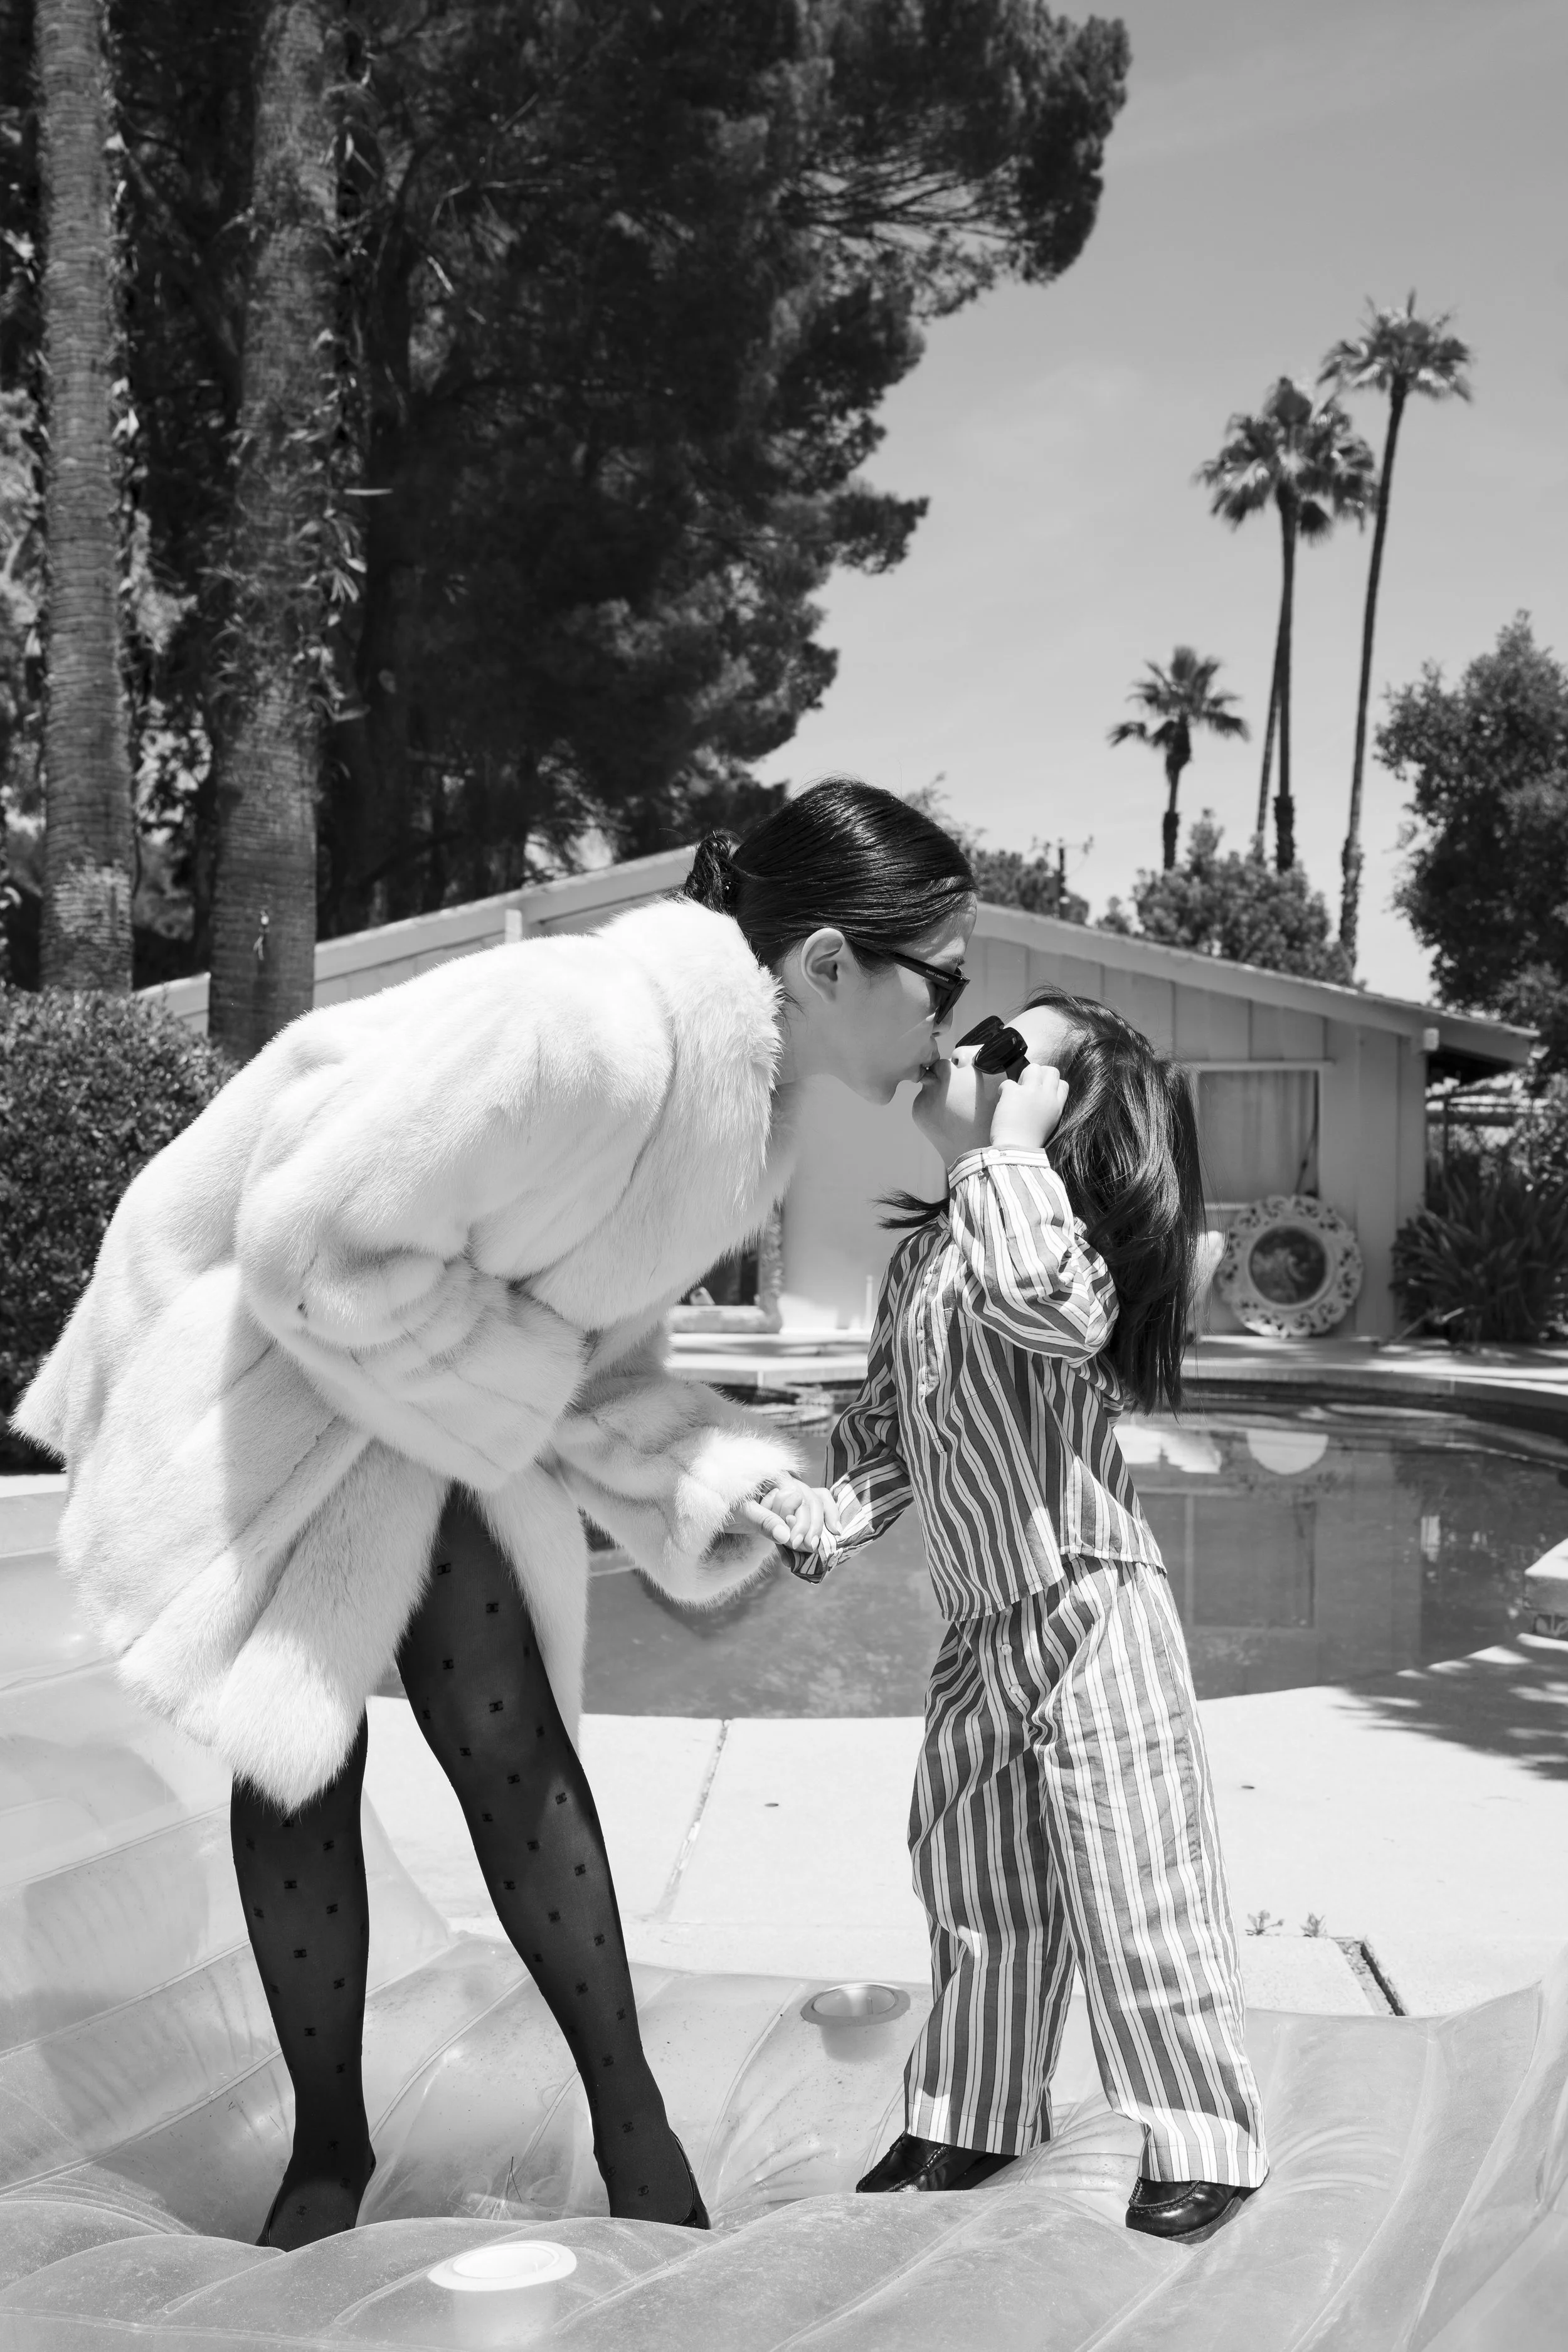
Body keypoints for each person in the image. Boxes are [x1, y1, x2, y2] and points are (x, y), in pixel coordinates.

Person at [14, 778, 977, 2249]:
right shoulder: (579, 1029)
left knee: (496, 1722)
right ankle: (343, 2150)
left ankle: (623, 2130)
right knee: (308, 1738)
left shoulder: (747, 1117)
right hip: (250, 1349)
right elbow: (316, 1238)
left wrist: (735, 1480)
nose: (952, 1019)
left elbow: (594, 1363)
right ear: (828, 965)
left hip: (401, 1356)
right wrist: (512, 1398)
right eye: (941, 978)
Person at [777, 985, 1269, 2243]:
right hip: (978, 1630)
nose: (965, 1051)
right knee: (972, 1883)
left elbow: (1047, 1310)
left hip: (1090, 1609)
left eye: (1007, 1056)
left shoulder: (1054, 1253)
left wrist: (1007, 1158)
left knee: (1133, 1883)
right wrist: (824, 1518)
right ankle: (971, 2117)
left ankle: (1201, 2134)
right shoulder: (924, 1260)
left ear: (1055, 1122)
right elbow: (891, 1437)